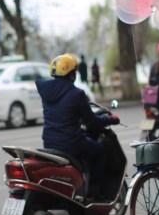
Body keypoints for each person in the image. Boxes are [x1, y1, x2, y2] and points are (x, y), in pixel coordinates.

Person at [36, 54, 120, 199]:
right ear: (72, 73)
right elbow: (91, 122)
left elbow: (64, 112)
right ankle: (94, 192)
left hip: (49, 142)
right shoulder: (77, 94)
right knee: (99, 151)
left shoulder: (47, 91)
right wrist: (109, 119)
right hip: (70, 144)